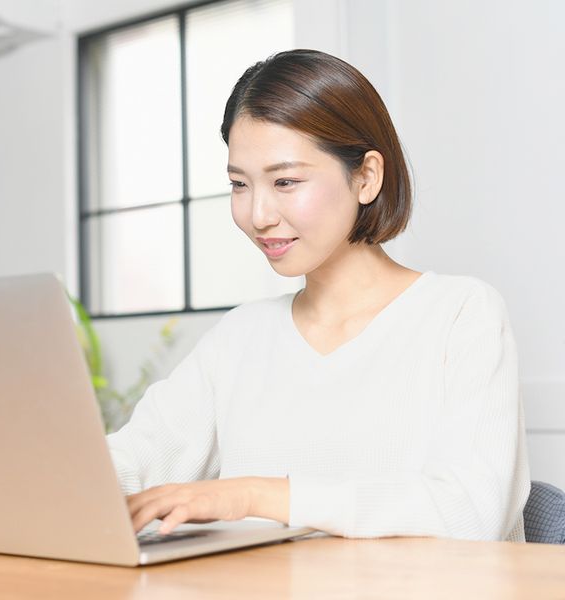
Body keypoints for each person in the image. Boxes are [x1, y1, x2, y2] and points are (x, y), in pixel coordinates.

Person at [107, 49, 530, 542]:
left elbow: (472, 513)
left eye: (285, 181)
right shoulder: (241, 336)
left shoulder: (462, 315)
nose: (258, 215)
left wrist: (255, 496)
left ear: (366, 177)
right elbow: (133, 462)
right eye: (239, 184)